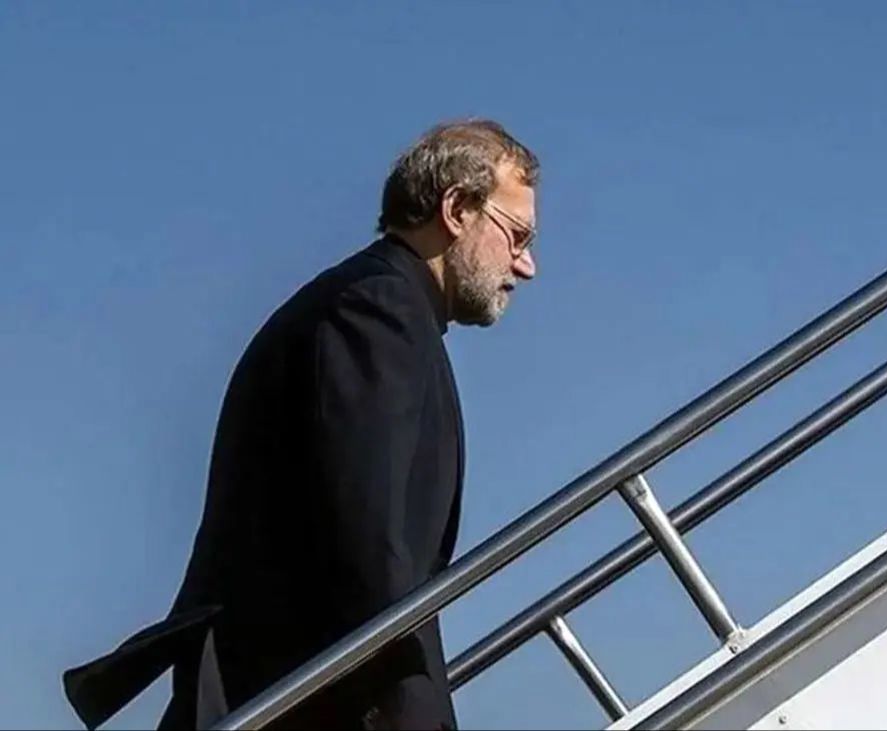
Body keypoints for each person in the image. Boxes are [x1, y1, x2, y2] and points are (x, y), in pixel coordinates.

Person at [62, 119, 539, 731]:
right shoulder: (380, 311)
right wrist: (414, 716)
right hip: (300, 702)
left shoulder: (383, 309)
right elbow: (370, 548)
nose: (526, 265)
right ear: (455, 210)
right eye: (517, 235)